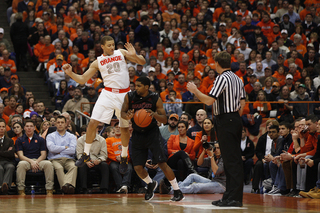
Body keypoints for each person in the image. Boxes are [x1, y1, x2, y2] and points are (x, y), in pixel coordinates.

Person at [63, 36, 146, 174]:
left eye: (113, 44)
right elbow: (83, 79)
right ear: (102, 46)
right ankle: (85, 154)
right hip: (107, 93)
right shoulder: (98, 62)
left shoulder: (122, 53)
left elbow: (142, 62)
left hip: (124, 94)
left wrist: (135, 56)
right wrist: (71, 73)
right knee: (92, 123)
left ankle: (124, 157)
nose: (112, 47)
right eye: (109, 45)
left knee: (124, 127)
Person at [187, 51, 245, 207]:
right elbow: (243, 103)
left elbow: (209, 100)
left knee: (230, 160)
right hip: (234, 118)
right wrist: (235, 118)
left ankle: (233, 198)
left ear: (217, 64)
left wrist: (195, 91)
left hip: (225, 120)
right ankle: (230, 196)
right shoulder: (238, 79)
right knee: (232, 159)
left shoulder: (222, 78)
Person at [121, 77, 184, 201]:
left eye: (139, 86)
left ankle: (177, 190)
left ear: (146, 87)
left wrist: (154, 114)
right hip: (137, 134)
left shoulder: (155, 98)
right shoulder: (129, 96)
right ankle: (150, 184)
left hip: (152, 133)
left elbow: (164, 119)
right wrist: (127, 116)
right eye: (135, 85)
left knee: (162, 163)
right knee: (138, 167)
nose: (136, 88)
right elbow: (122, 112)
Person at [160, 142, 225, 194]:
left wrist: (211, 157)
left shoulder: (224, 159)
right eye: (215, 148)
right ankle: (173, 188)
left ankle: (171, 191)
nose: (216, 150)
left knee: (195, 186)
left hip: (222, 185)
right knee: (192, 176)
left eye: (218, 148)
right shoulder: (215, 157)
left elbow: (216, 171)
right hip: (213, 181)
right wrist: (204, 151)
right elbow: (199, 163)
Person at [15, 119, 54, 196]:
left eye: (31, 126)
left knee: (48, 164)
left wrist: (36, 162)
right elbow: (20, 156)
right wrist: (31, 162)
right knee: (21, 164)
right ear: (24, 128)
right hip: (26, 161)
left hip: (39, 161)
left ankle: (49, 189)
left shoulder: (40, 139)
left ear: (34, 128)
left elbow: (43, 154)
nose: (29, 128)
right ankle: (21, 189)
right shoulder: (19, 140)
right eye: (27, 126)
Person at [46, 116, 77, 194]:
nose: (60, 124)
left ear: (66, 124)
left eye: (62, 122)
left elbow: (73, 150)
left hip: (68, 159)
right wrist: (65, 148)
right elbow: (51, 149)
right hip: (55, 159)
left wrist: (59, 151)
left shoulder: (71, 136)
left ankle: (64, 187)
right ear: (55, 124)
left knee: (74, 166)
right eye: (58, 122)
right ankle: (68, 188)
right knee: (59, 168)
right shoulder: (50, 136)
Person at [0, 119, 15, 195]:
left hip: (8, 161)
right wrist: (6, 152)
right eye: (0, 127)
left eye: (3, 127)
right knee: (0, 168)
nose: (1, 128)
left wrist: (2, 152)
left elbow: (11, 154)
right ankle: (1, 187)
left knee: (10, 167)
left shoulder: (10, 140)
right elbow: (8, 153)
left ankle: (5, 186)